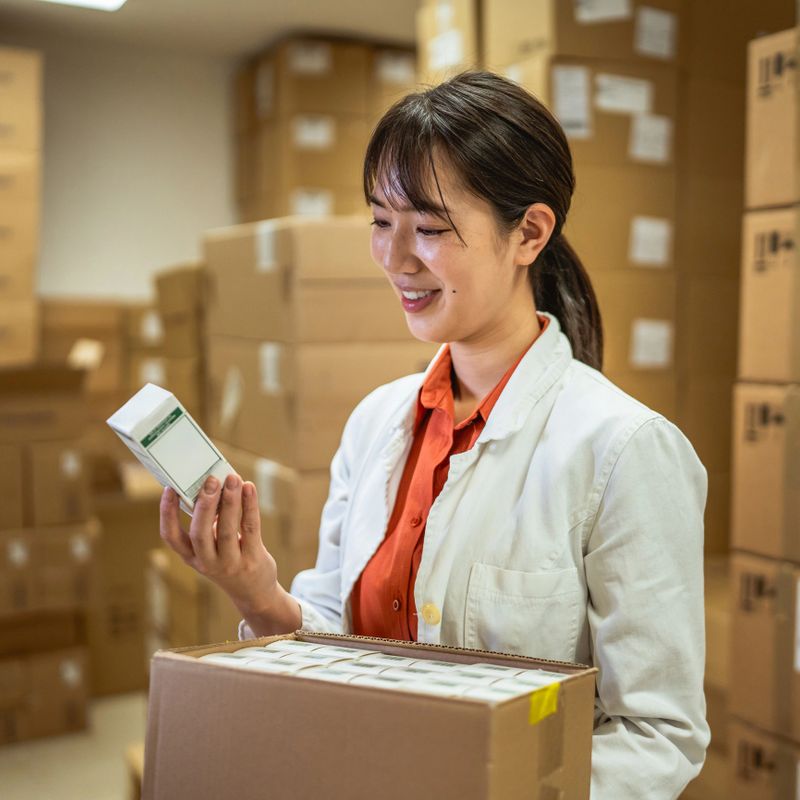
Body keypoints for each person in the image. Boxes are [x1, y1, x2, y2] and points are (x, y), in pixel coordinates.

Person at [160, 71, 709, 798]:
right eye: (381, 221)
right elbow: (346, 647)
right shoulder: (376, 424)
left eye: (430, 228)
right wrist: (257, 592)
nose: (395, 259)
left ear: (530, 233)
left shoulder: (623, 450)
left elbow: (658, 735)